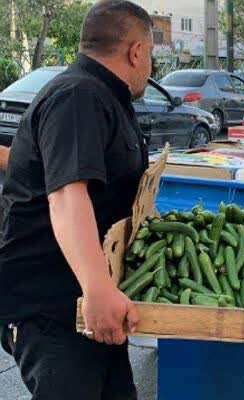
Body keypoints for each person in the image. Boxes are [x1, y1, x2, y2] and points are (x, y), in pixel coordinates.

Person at [0, 1, 153, 398]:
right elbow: (68, 195)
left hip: (86, 300)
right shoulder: (78, 96)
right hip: (53, 305)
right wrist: (97, 288)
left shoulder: (101, 95)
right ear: (136, 52)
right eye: (150, 54)